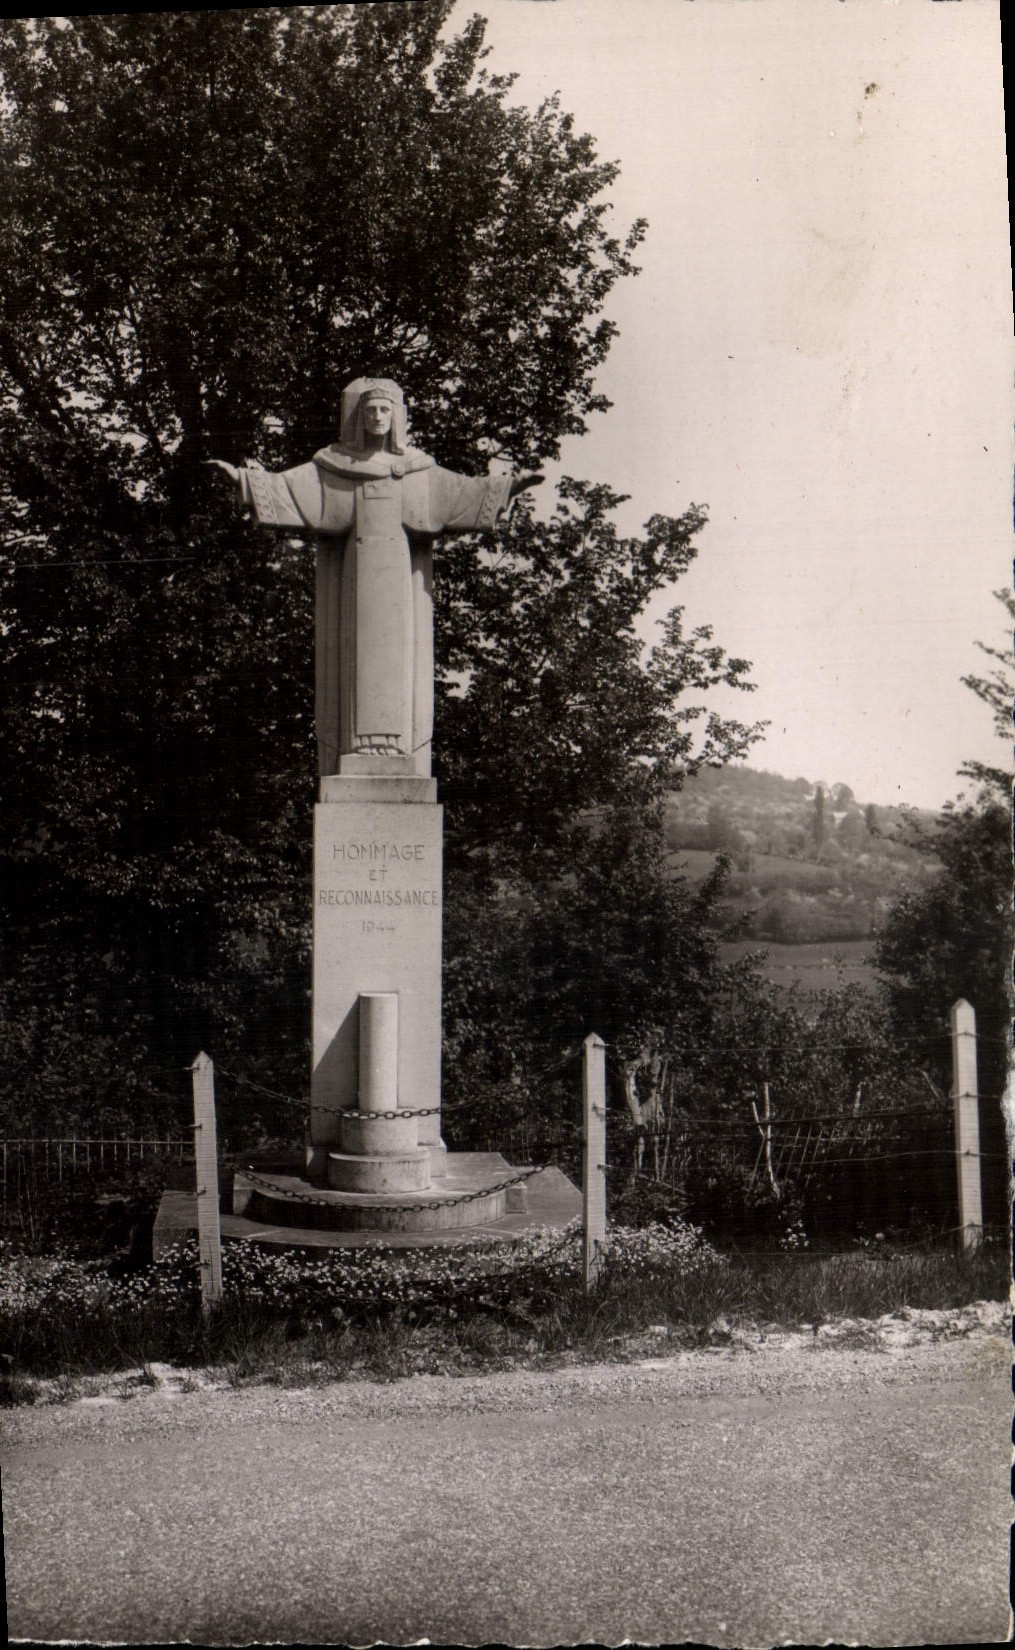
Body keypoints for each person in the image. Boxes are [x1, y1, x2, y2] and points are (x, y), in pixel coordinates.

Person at [209, 378, 541, 775]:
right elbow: (290, 488)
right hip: (357, 575)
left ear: (397, 417)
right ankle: (358, 747)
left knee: (398, 655)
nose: (377, 417)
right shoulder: (336, 466)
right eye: (370, 410)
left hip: (399, 578)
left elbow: (463, 492)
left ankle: (396, 744)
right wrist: (244, 480)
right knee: (357, 654)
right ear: (358, 417)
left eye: (385, 410)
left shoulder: (416, 468)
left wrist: (509, 486)